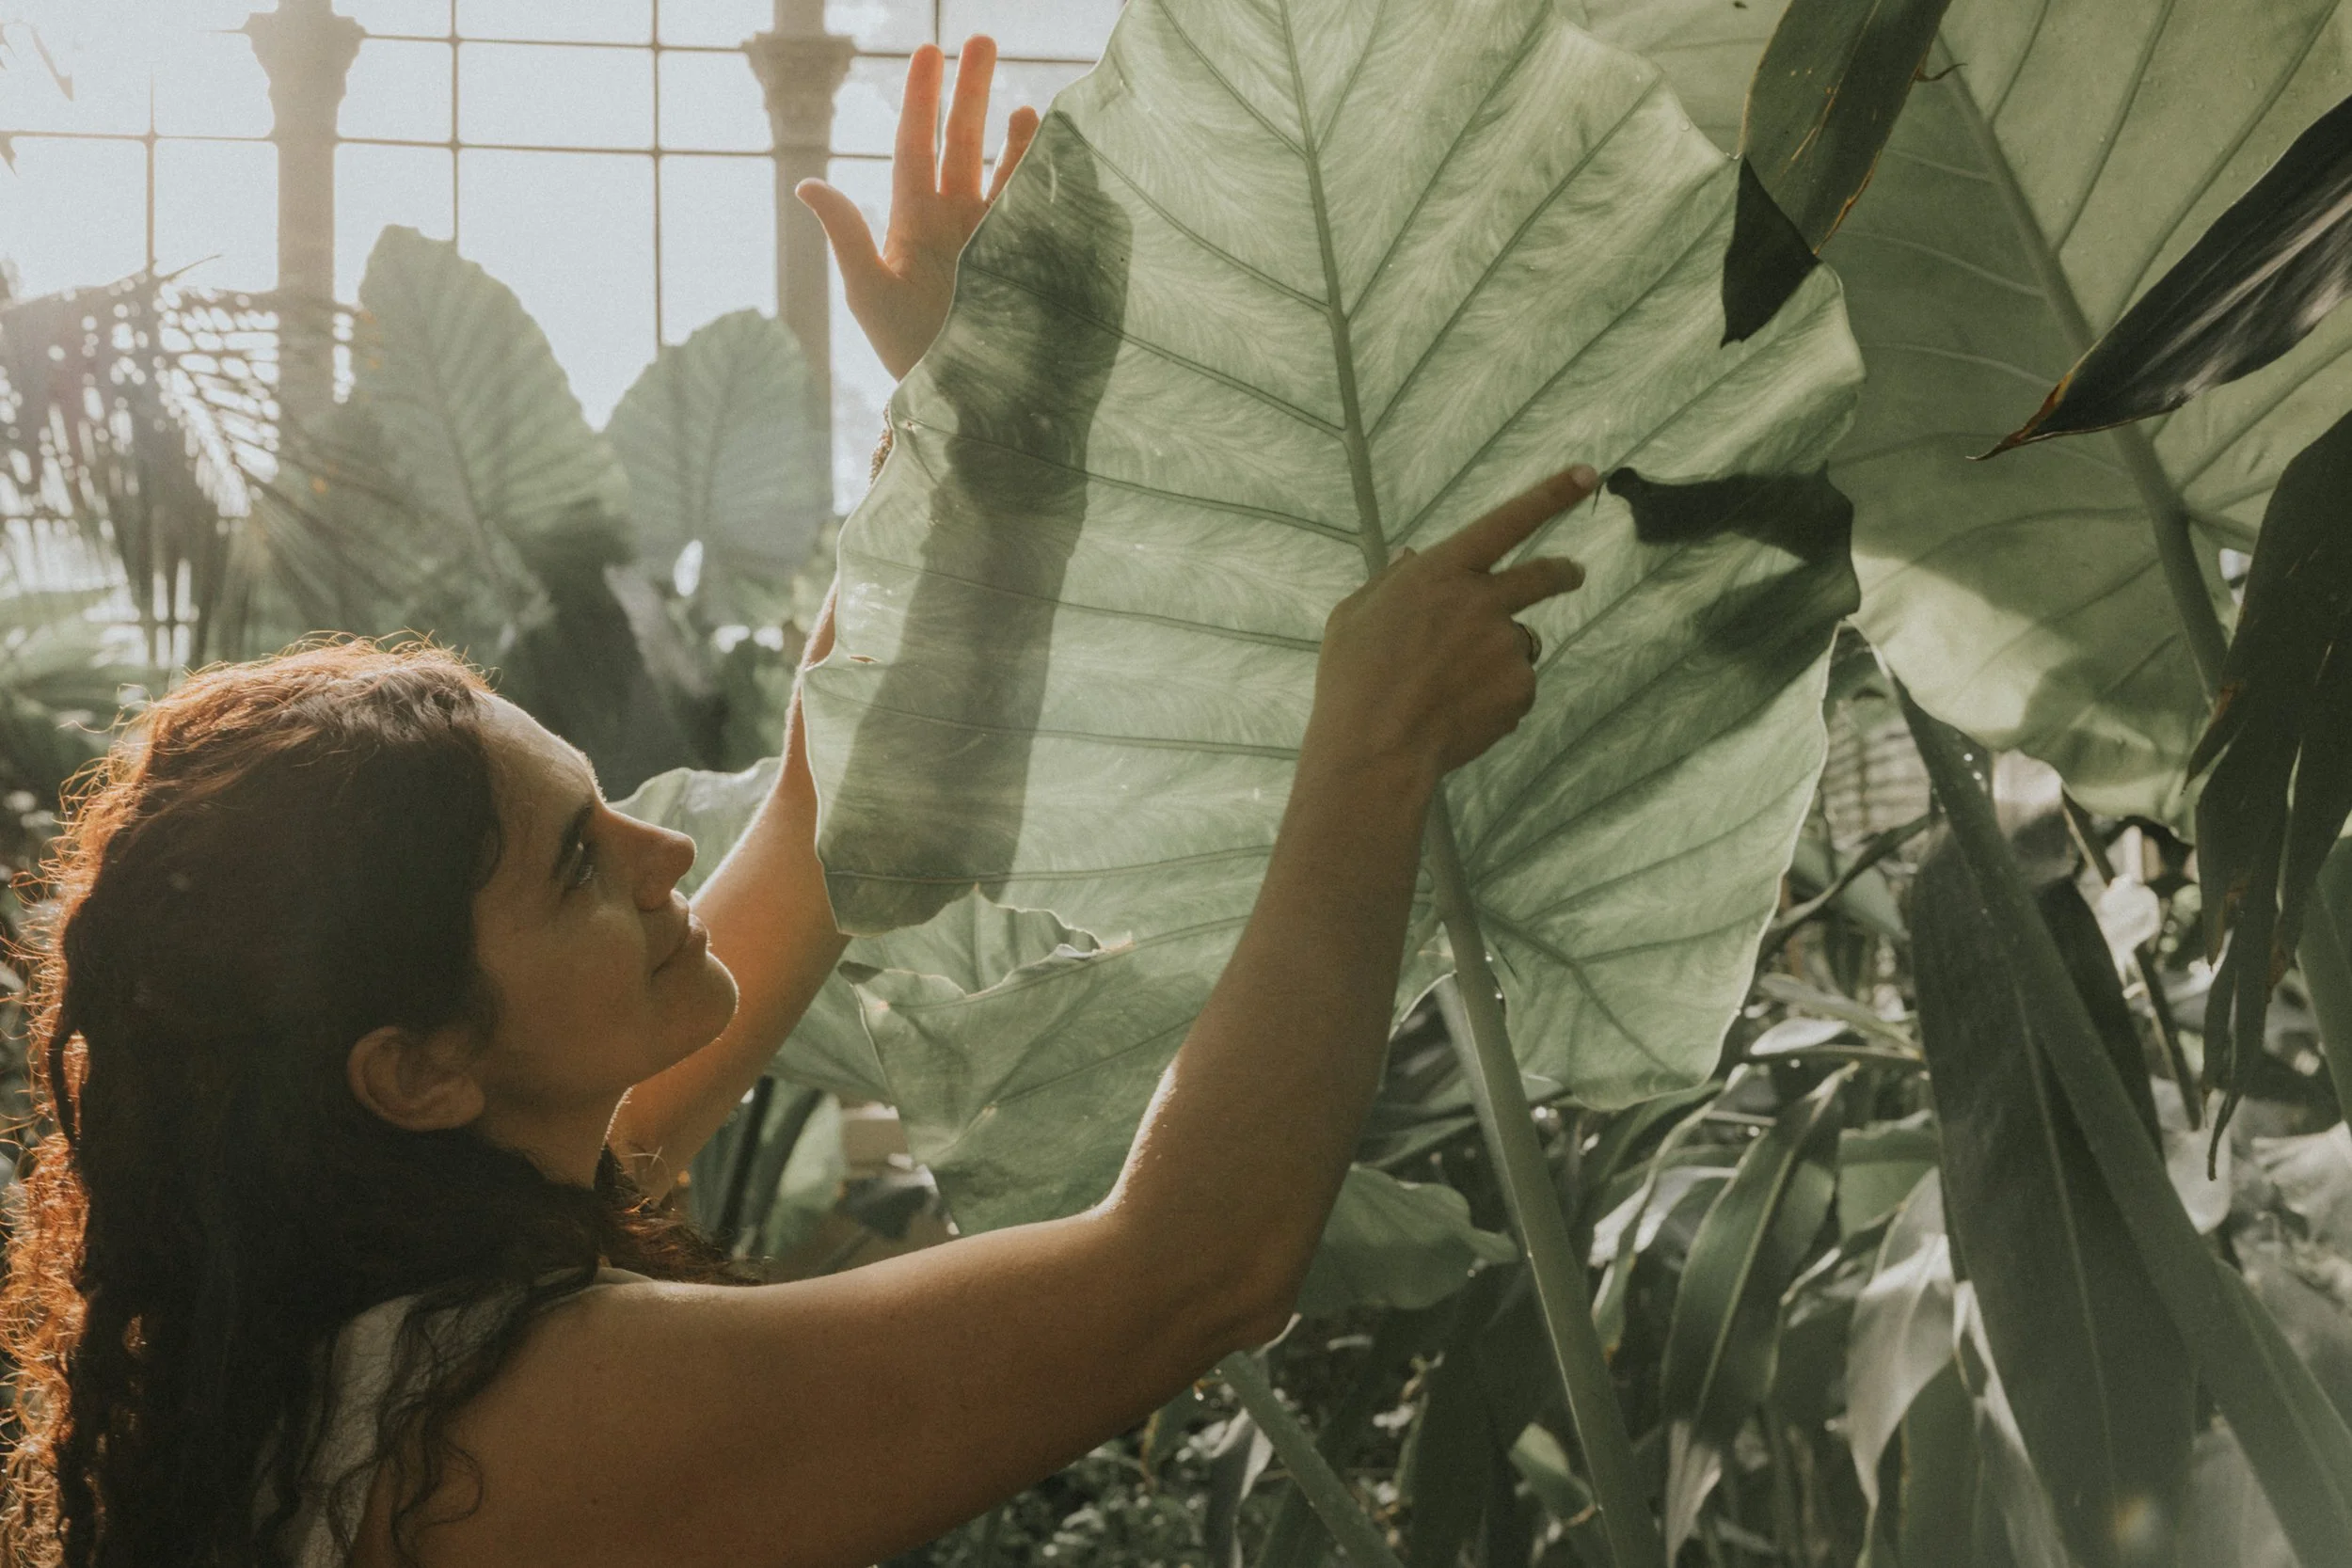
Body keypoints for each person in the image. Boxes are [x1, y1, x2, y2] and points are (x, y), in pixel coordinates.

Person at [0, 37, 1594, 1568]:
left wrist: (977, 408)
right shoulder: (503, 1422)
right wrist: (1369, 759)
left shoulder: (386, 1273)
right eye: (575, 863)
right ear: (416, 1065)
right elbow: (1186, 1274)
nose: (665, 841)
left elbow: (837, 827)